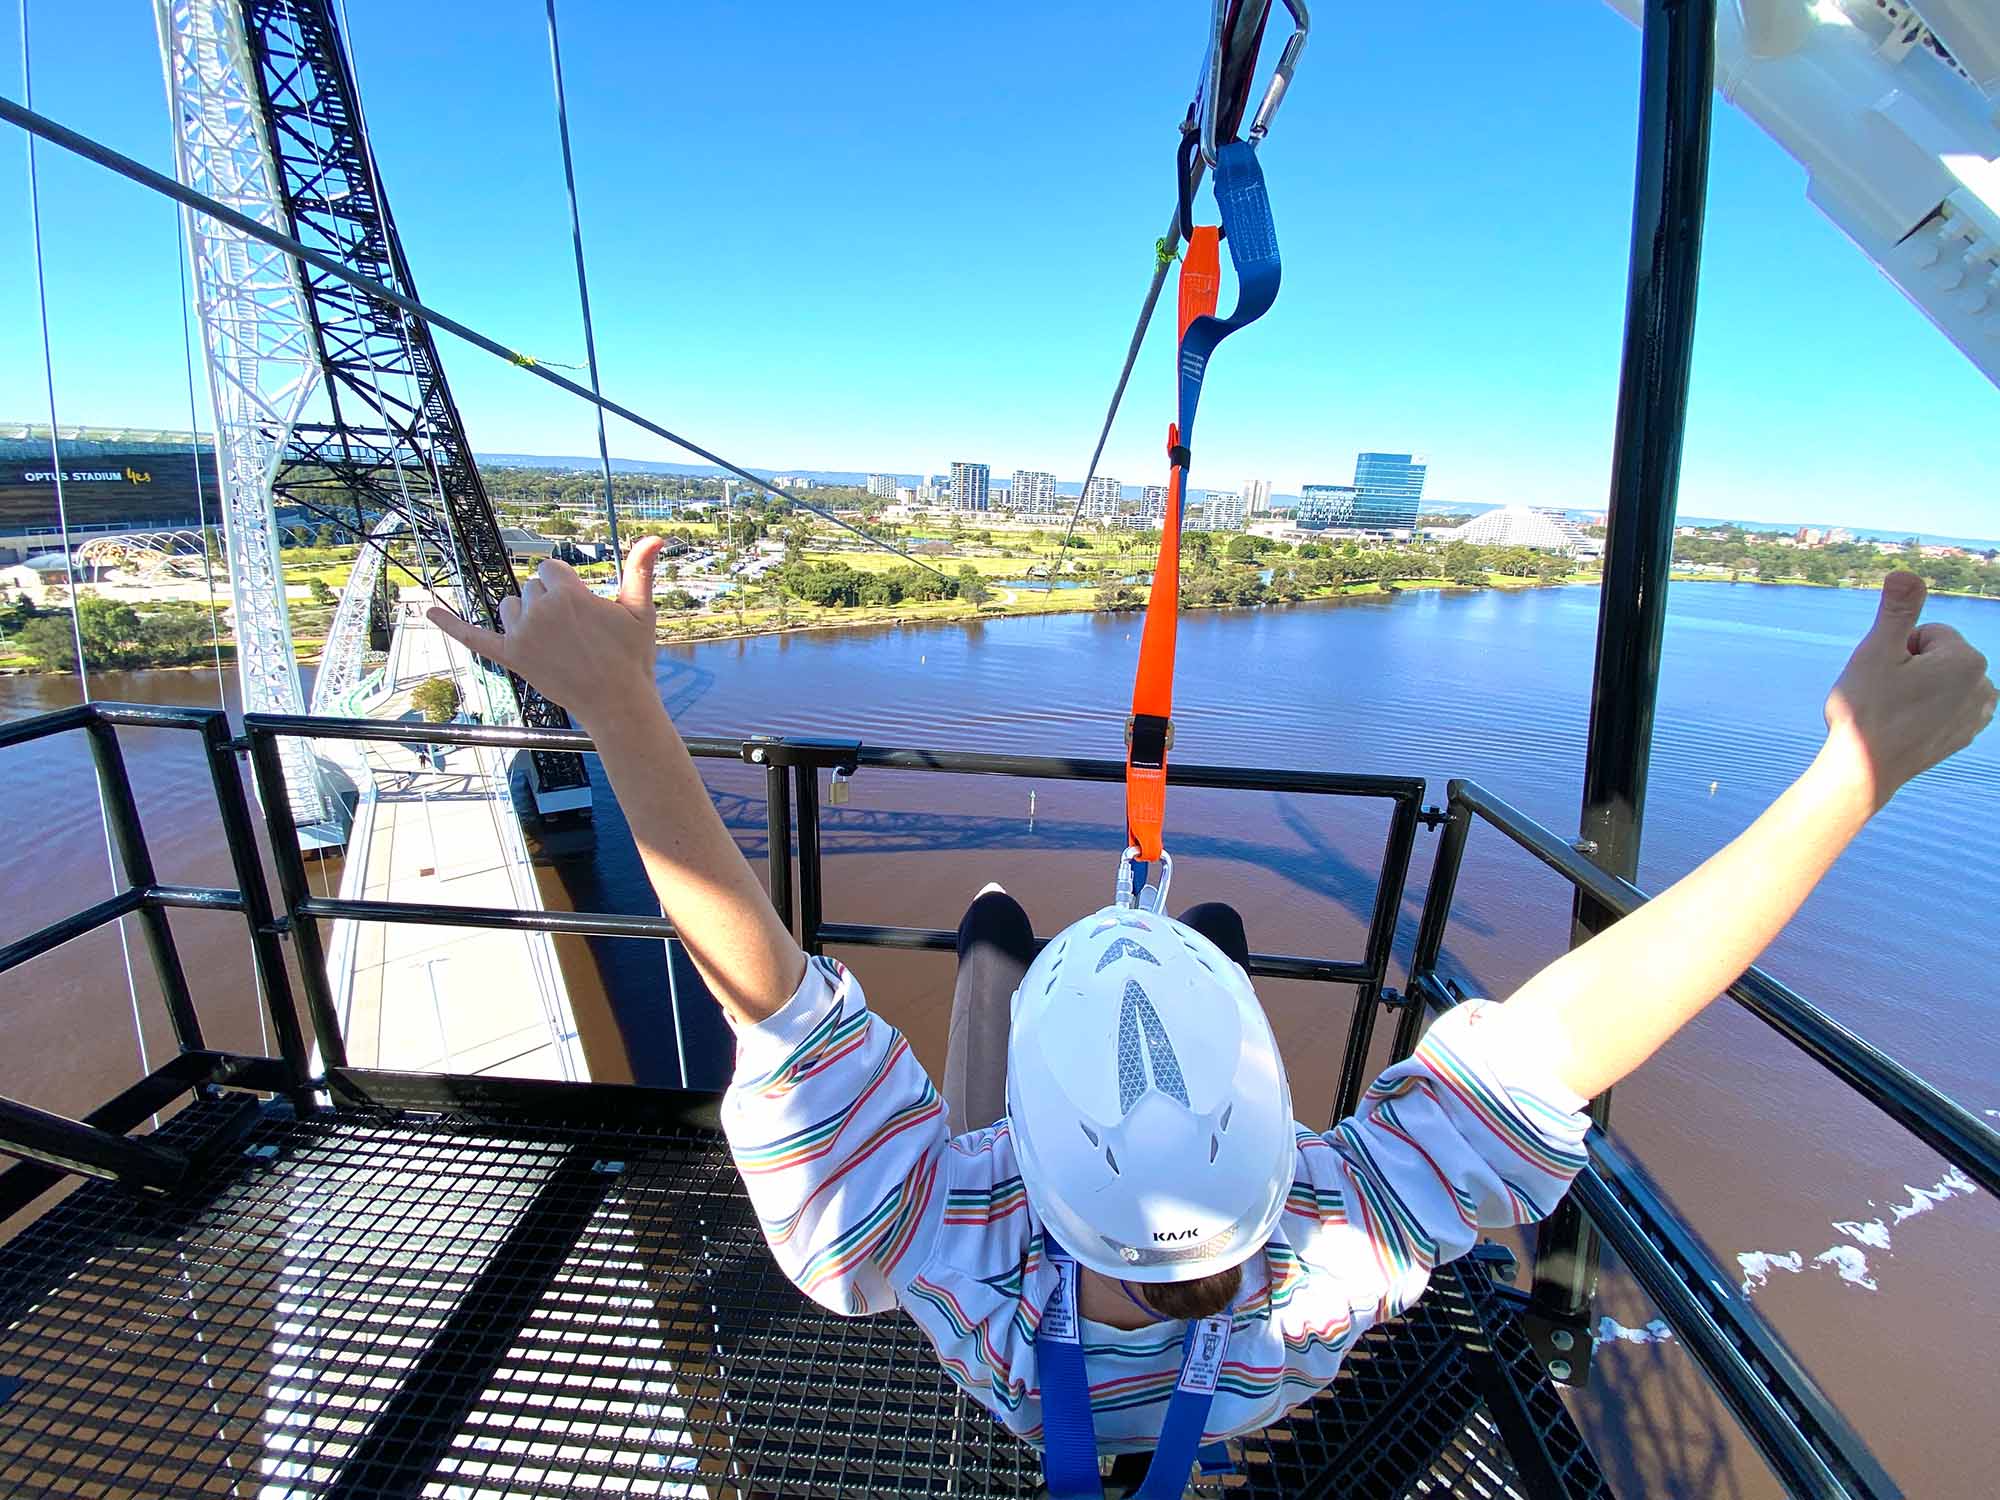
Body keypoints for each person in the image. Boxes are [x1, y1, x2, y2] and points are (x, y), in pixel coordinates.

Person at [431, 541, 1994, 1484]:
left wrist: (621, 708)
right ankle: (1195, 969)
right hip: (1206, 1380)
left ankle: (1075, 975)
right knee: (1212, 928)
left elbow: (762, 992)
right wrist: (1854, 782)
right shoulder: (1325, 1265)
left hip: (1037, 1344)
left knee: (981, 931)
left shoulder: (938, 1241)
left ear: (1015, 1158)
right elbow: (1581, 1028)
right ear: (1276, 1145)